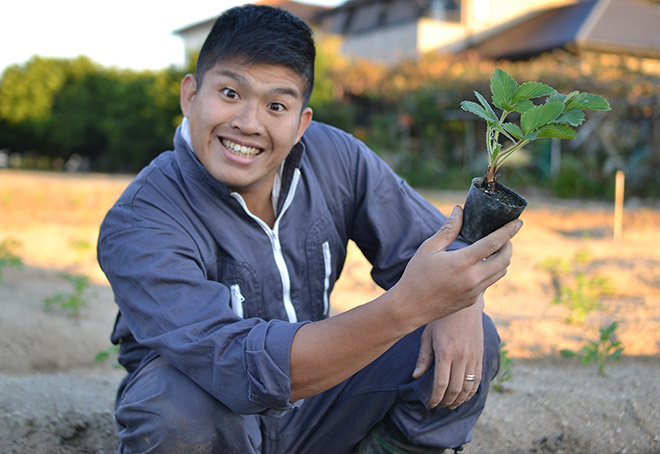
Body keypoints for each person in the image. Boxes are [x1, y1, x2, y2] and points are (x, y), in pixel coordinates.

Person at [97, 4, 521, 453]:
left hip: (319, 403)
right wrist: (408, 307)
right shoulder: (141, 219)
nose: (248, 123)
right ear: (190, 96)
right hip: (218, 416)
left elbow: (433, 245)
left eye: (276, 105)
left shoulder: (336, 157)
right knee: (174, 410)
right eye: (229, 93)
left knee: (469, 339)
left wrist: (458, 301)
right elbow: (237, 366)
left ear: (302, 122)